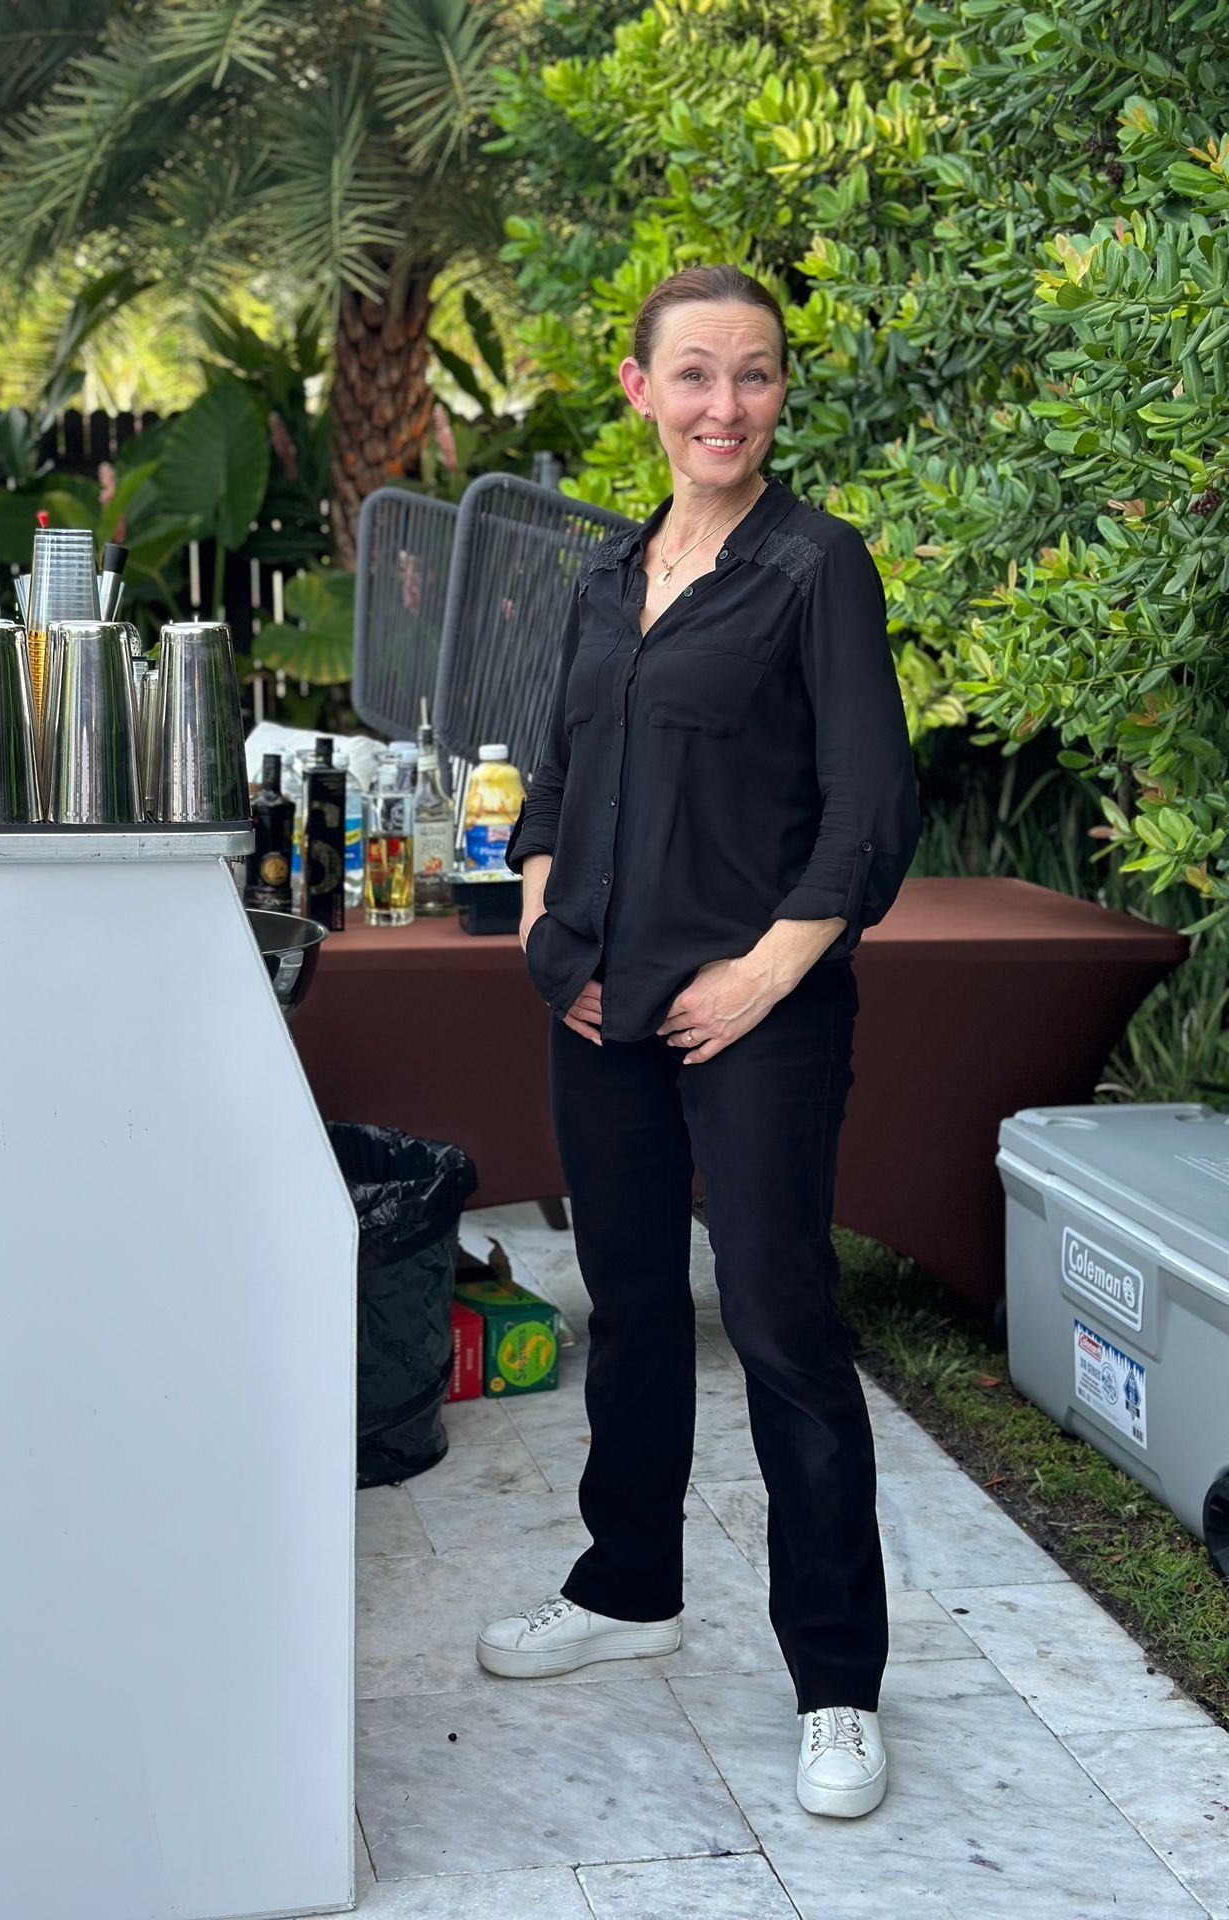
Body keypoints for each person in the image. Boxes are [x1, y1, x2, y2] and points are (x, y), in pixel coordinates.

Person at [474, 264, 920, 1821]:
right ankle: (626, 1586)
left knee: (787, 1327)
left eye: (756, 377)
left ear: (779, 395)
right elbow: (548, 783)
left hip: (762, 1022)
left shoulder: (817, 569)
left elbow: (870, 817)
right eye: (696, 375)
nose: (725, 405)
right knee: (631, 1301)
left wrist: (762, 979)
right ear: (639, 389)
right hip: (597, 1008)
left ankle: (839, 1684)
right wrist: (545, 939)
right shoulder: (605, 577)